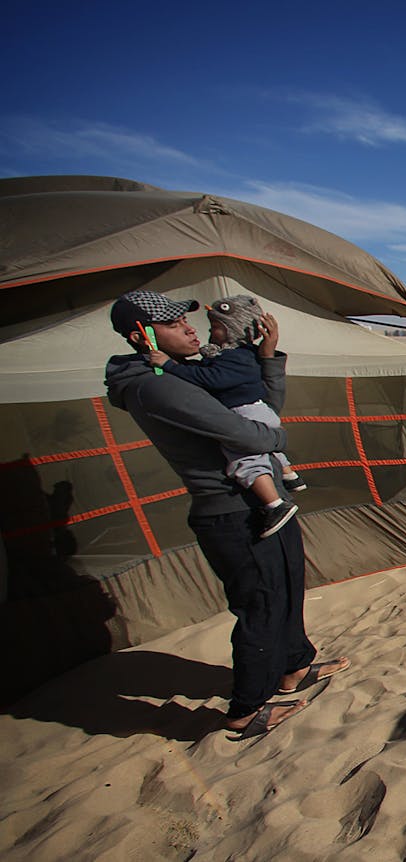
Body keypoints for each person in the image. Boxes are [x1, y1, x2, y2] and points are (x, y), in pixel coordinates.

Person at [105, 290, 348, 739]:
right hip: (231, 510)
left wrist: (268, 359)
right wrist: (279, 441)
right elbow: (248, 434)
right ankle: (247, 707)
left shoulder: (190, 372)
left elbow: (260, 410)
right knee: (262, 605)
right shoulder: (156, 384)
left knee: (289, 584)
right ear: (142, 334)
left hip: (261, 499)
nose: (188, 328)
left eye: (186, 320)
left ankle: (294, 666)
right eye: (174, 324)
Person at [147, 295, 305, 539]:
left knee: (246, 458)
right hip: (260, 413)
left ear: (232, 331)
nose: (197, 331)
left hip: (248, 414)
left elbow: (213, 381)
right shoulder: (241, 355)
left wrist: (170, 366)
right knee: (261, 450)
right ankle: (288, 474)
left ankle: (275, 505)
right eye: (175, 324)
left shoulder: (231, 357)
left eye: (215, 328)